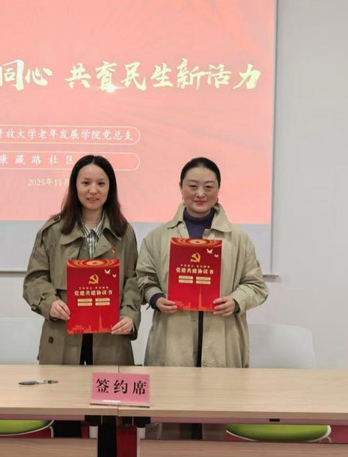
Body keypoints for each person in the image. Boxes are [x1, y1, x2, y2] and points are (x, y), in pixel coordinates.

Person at [136, 157, 269, 440]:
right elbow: (142, 278)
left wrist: (236, 301)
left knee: (216, 428)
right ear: (180, 187)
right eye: (192, 186)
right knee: (169, 428)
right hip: (173, 340)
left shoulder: (238, 239)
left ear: (218, 189)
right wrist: (156, 297)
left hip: (221, 340)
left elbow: (256, 285)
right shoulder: (157, 237)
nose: (200, 193)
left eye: (208, 186)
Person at [23, 155, 141, 437]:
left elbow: (133, 281)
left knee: (111, 421)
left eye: (101, 183)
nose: (93, 190)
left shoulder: (124, 232)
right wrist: (49, 302)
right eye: (86, 183)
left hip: (110, 338)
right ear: (74, 186)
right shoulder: (53, 231)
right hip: (63, 336)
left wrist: (130, 315)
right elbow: (34, 279)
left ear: (110, 188)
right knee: (65, 419)